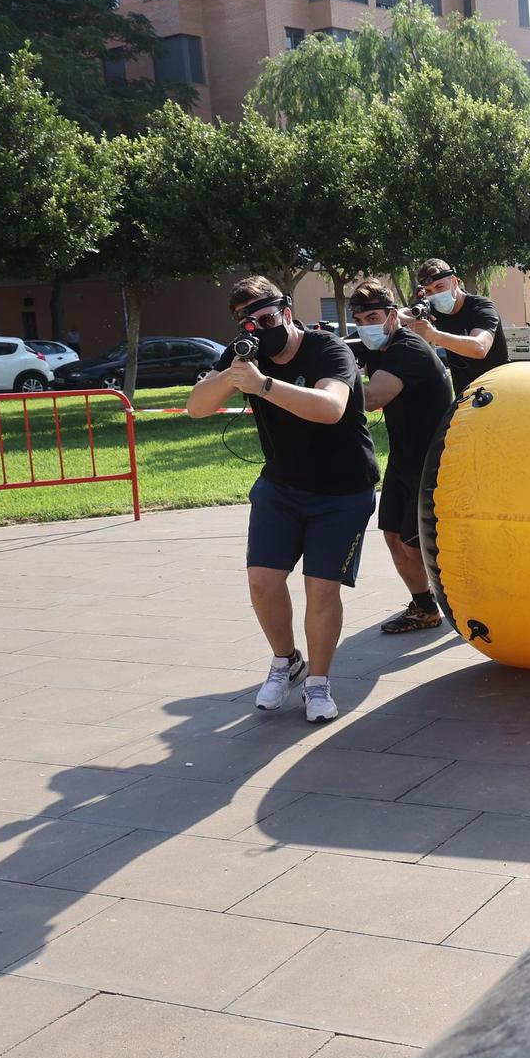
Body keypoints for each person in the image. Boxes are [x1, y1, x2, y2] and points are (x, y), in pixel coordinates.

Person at [187, 275, 378, 723]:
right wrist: (233, 376)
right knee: (262, 581)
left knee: (321, 589)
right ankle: (285, 661)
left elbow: (331, 408)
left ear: (287, 313)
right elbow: (197, 407)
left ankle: (318, 683)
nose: (258, 330)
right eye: (247, 325)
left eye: (267, 319)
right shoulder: (244, 357)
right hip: (281, 486)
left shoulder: (329, 350)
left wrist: (264, 387)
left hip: (342, 490)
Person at [347, 277, 456, 635]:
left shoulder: (407, 348)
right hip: (405, 458)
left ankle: (476, 603)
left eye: (373, 317)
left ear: (392, 316)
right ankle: (424, 608)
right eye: (360, 321)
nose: (366, 327)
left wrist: (319, 395)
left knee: (420, 542)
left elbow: (374, 398)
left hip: (434, 461)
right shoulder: (381, 347)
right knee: (393, 535)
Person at [402, 258, 508, 395]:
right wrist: (413, 321)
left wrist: (433, 335)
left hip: (497, 392)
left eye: (439, 287)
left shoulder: (481, 307)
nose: (435, 294)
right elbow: (398, 314)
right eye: (428, 291)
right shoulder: (433, 309)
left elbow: (480, 348)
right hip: (464, 396)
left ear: (453, 281)